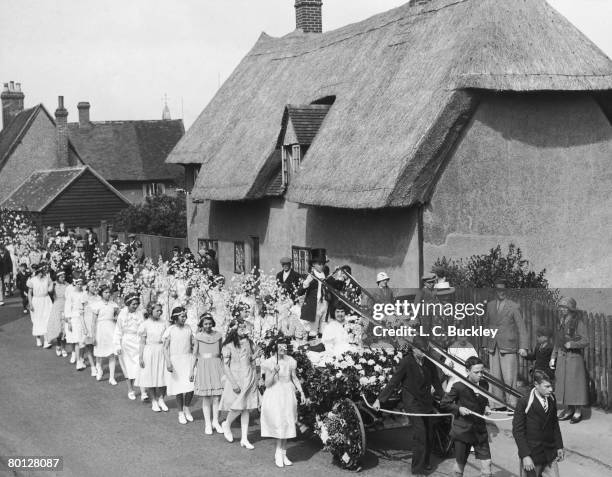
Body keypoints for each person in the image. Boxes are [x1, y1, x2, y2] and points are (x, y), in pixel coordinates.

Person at [373, 337, 443, 477]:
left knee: (429, 432)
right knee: (420, 434)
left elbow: (436, 384)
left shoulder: (429, 364)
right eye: (421, 350)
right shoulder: (406, 362)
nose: (423, 353)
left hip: (425, 401)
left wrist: (447, 400)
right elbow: (394, 382)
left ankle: (425, 461)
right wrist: (380, 400)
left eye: (426, 350)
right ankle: (417, 470)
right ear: (413, 349)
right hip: (411, 401)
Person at [441, 356, 492, 477]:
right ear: (467, 371)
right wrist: (459, 409)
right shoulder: (459, 386)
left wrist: (486, 406)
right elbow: (444, 404)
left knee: (487, 463)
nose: (480, 375)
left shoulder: (484, 384)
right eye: (476, 372)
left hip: (480, 430)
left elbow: (483, 400)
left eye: (482, 372)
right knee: (460, 466)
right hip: (463, 431)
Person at [261, 339, 306, 468]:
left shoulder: (290, 361)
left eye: (285, 346)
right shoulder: (269, 362)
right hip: (275, 394)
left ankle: (283, 453)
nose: (283, 349)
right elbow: (267, 384)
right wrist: (274, 371)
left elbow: (294, 378)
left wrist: (301, 392)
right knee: (280, 423)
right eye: (280, 346)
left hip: (288, 393)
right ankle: (278, 453)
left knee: (288, 422)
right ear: (275, 347)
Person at [485, 279, 528, 408]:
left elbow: (521, 327)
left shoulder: (514, 306)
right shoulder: (490, 305)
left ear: (506, 291)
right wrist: (484, 343)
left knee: (509, 378)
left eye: (503, 290)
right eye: (498, 290)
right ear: (495, 291)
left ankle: (512, 404)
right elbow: (486, 325)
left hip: (508, 345)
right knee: (495, 376)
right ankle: (497, 404)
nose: (501, 292)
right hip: (493, 345)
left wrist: (523, 346)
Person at [512, 370, 564, 477]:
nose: (551, 389)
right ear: (536, 384)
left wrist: (559, 446)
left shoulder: (551, 399)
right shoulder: (524, 402)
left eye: (552, 386)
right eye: (547, 386)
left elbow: (554, 424)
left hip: (549, 453)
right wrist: (525, 455)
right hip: (532, 455)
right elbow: (518, 431)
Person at [220, 320, 261, 449]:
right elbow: (225, 366)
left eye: (245, 328)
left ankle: (244, 438)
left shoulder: (248, 343)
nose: (244, 330)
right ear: (234, 330)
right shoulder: (228, 346)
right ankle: (227, 423)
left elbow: (248, 359)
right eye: (241, 328)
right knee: (238, 406)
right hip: (236, 377)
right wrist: (233, 383)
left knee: (246, 408)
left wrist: (255, 356)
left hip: (248, 376)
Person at [551, 297, 588, 424]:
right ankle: (569, 409)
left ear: (570, 308)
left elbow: (585, 341)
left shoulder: (579, 323)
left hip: (574, 359)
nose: (561, 309)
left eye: (564, 307)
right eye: (560, 307)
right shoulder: (561, 321)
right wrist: (553, 357)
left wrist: (572, 344)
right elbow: (557, 341)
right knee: (564, 386)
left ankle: (578, 411)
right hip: (562, 359)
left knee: (574, 386)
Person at [192, 313, 224, 434]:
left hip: (216, 365)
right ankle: (207, 424)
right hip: (203, 366)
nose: (208, 325)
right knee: (206, 397)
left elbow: (221, 351)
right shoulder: (198, 336)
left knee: (216, 396)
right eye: (205, 323)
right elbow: (195, 353)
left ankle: (215, 421)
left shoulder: (219, 335)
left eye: (210, 323)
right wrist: (191, 370)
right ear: (202, 324)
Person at [163, 307, 195, 424]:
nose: (184, 318)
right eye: (182, 316)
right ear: (176, 317)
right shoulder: (170, 330)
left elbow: (193, 343)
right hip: (175, 361)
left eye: (185, 316)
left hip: (187, 359)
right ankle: (180, 412)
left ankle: (187, 408)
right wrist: (168, 362)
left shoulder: (188, 328)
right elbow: (165, 348)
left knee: (191, 386)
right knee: (179, 388)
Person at [113, 293, 146, 400]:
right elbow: (118, 331)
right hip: (126, 342)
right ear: (128, 304)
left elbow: (143, 328)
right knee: (128, 367)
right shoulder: (122, 314)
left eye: (137, 304)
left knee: (140, 365)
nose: (135, 306)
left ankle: (143, 392)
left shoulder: (140, 314)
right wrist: (117, 345)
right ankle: (130, 389)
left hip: (138, 341)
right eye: (133, 304)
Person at [136, 303, 168, 412]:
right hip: (149, 351)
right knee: (151, 376)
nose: (160, 312)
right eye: (157, 310)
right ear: (151, 311)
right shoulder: (145, 324)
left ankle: (161, 399)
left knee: (163, 376)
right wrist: (140, 357)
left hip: (162, 350)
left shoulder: (164, 323)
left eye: (161, 310)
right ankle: (154, 401)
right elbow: (142, 342)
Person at [298, 248, 328, 336]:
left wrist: (340, 279)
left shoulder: (325, 275)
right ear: (313, 264)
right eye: (319, 264)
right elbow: (299, 292)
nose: (322, 266)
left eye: (323, 264)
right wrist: (306, 283)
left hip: (325, 305)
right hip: (314, 306)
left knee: (323, 330)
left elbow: (334, 286)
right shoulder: (309, 276)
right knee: (313, 332)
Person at [92, 285, 119, 384]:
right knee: (99, 353)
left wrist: (116, 317)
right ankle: (99, 369)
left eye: (109, 292)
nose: (108, 294)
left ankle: (112, 377)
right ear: (101, 294)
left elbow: (117, 317)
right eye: (105, 292)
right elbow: (93, 322)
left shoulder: (114, 305)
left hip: (111, 329)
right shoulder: (96, 305)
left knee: (112, 353)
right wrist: (93, 335)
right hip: (100, 329)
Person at [27, 263, 53, 348]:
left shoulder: (47, 279)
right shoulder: (32, 280)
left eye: (43, 271)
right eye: (40, 271)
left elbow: (50, 289)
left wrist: (51, 286)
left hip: (46, 300)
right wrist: (30, 304)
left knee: (47, 319)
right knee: (37, 320)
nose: (42, 273)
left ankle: (46, 341)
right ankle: (38, 338)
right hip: (36, 301)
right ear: (37, 271)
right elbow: (29, 293)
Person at [64, 273, 86, 367]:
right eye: (78, 284)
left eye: (81, 283)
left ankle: (81, 358)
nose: (80, 285)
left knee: (84, 339)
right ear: (75, 284)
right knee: (77, 340)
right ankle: (78, 361)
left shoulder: (84, 293)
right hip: (75, 318)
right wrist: (69, 321)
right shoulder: (71, 294)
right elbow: (68, 308)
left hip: (84, 318)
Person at [81, 280, 101, 376]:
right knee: (89, 345)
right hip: (87, 322)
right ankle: (93, 367)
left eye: (95, 286)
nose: (94, 287)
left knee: (97, 344)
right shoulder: (84, 297)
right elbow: (81, 312)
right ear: (88, 287)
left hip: (97, 323)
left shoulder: (98, 297)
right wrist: (84, 327)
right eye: (92, 286)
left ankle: (97, 364)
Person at [46, 270, 67, 356]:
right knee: (59, 328)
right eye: (61, 277)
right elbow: (49, 290)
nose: (63, 278)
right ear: (58, 277)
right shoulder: (54, 284)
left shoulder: (66, 284)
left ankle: (64, 348)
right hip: (57, 307)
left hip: (66, 306)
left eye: (64, 276)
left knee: (65, 328)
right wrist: (52, 283)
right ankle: (58, 345)